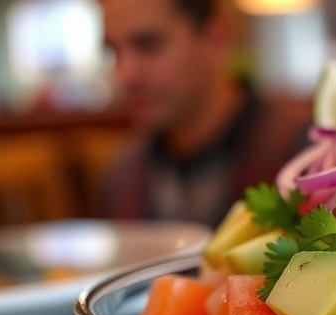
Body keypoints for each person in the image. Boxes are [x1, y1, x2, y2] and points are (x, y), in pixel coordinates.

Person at [100, 0, 301, 226]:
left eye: (148, 45)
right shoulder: (123, 175)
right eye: (113, 50)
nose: (126, 75)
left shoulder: (300, 153)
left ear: (215, 39)